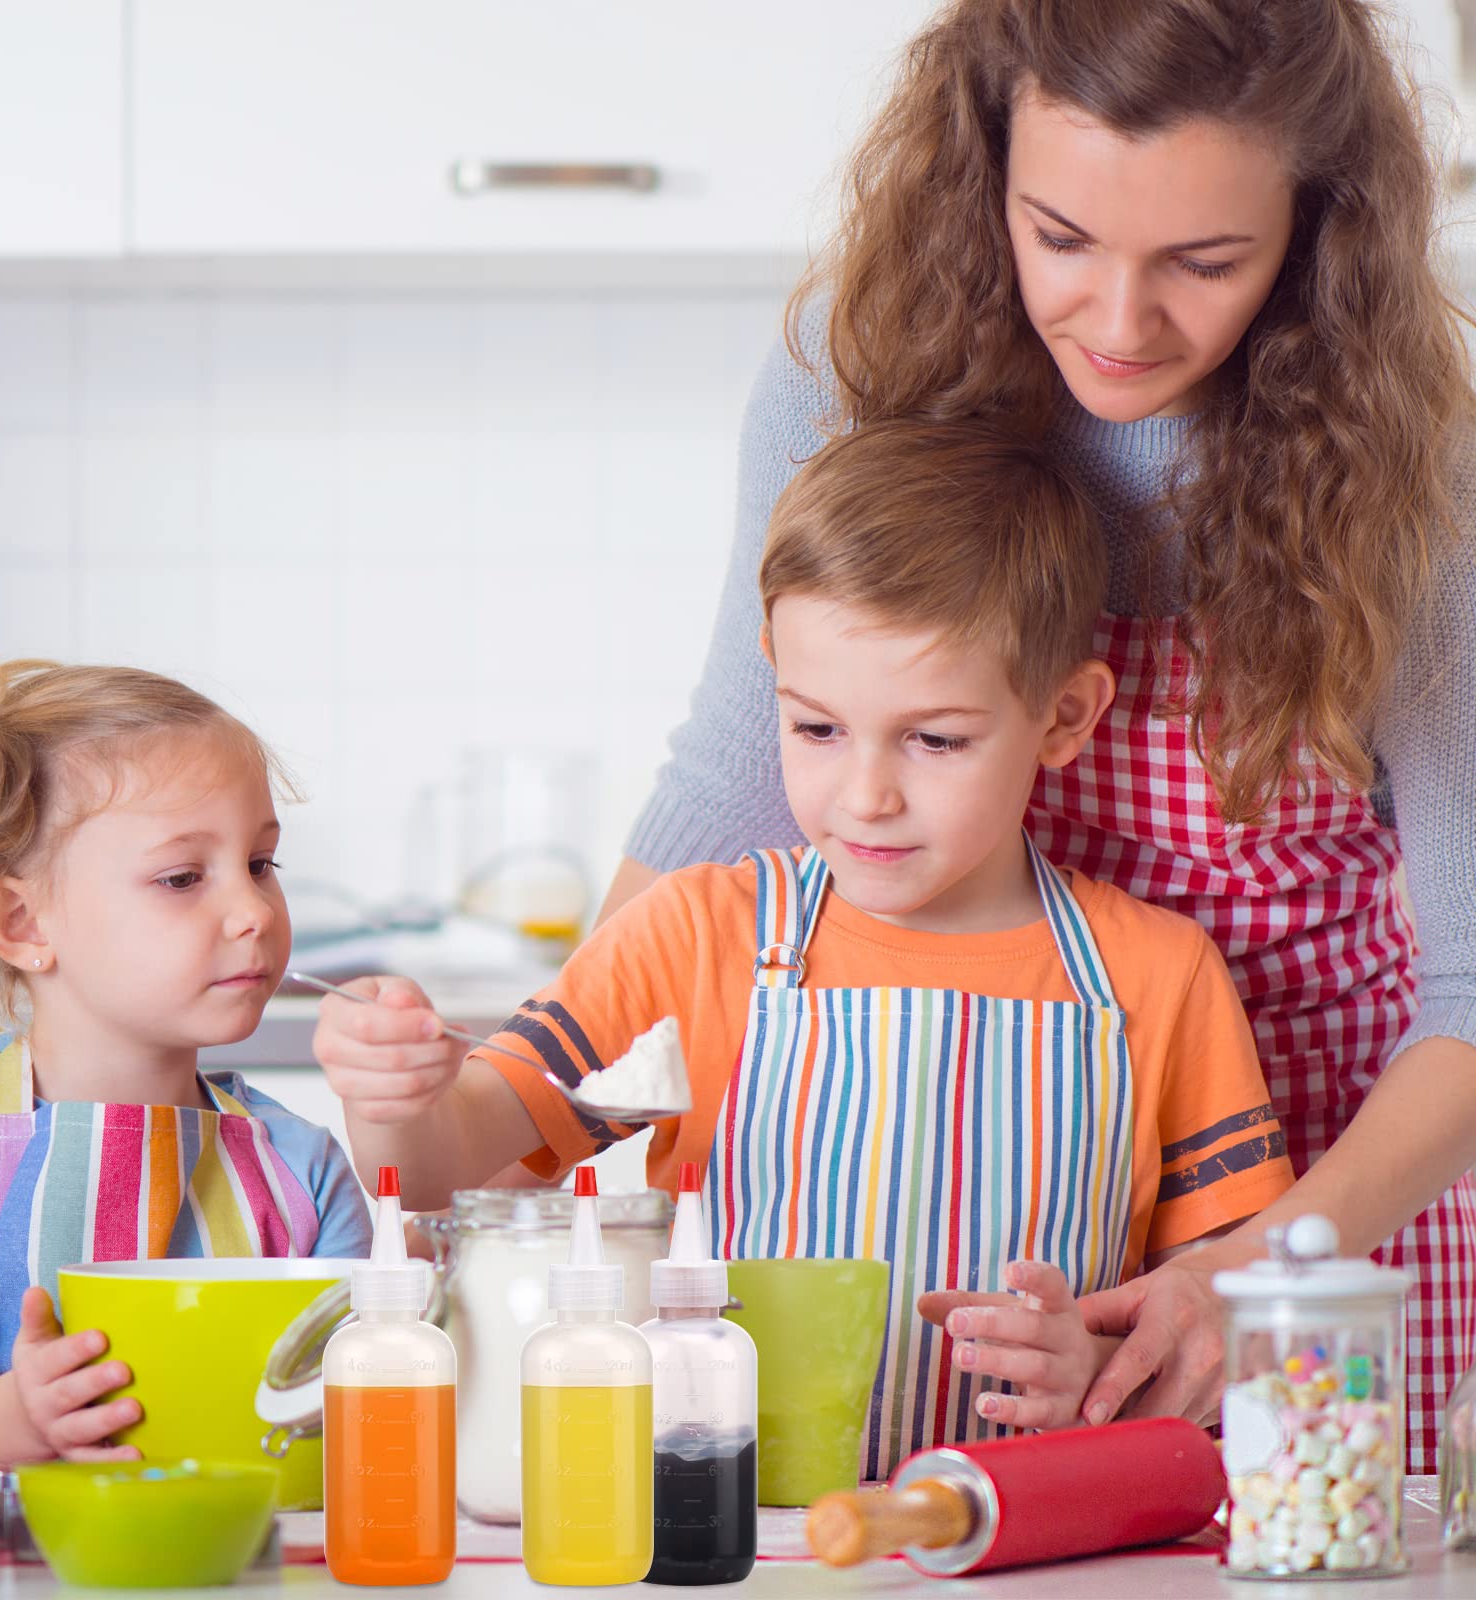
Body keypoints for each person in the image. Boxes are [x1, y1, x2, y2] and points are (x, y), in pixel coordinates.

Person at [593, 0, 1476, 1474]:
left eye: (1206, 262)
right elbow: (732, 784)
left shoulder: (1414, 468)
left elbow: (1472, 979)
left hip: (1323, 1198)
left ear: (1318, 232)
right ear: (984, 160)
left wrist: (1248, 1272)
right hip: (991, 1204)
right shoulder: (850, 375)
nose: (1120, 325)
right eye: (1060, 237)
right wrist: (530, 1129)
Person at [313, 418, 1294, 1475]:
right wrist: (394, 1096)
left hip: (1027, 1548)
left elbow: (1232, 1333)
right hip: (731, 1545)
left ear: (1063, 716)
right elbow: (433, 1169)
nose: (865, 794)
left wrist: (1093, 1364)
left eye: (934, 739)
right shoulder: (694, 936)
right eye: (816, 728)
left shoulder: (1156, 976)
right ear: (772, 680)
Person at [0, 655, 372, 1469]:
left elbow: (370, 1407)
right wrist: (22, 1418)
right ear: (25, 923)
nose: (253, 911)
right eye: (183, 877)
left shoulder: (303, 1164)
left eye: (260, 864)